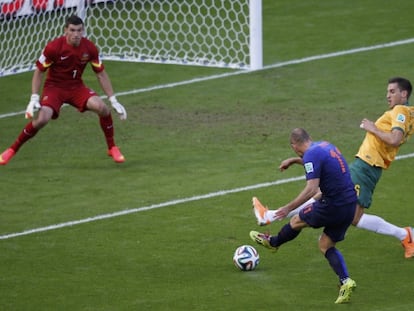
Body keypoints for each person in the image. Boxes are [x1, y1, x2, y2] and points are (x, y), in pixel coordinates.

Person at [253, 77, 414, 258]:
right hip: (366, 165)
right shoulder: (408, 113)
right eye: (387, 91)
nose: (388, 95)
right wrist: (298, 160)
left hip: (367, 166)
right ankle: (271, 215)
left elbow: (395, 139)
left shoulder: (400, 111)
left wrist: (372, 128)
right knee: (326, 195)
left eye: (392, 92)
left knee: (352, 215)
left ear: (404, 94)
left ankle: (405, 235)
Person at [0, 15, 127, 165]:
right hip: (55, 88)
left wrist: (113, 99)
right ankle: (12, 149)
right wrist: (34, 97)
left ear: (83, 30)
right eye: (72, 30)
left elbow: (100, 73)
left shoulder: (90, 48)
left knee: (102, 108)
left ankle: (112, 147)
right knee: (42, 119)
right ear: (65, 30)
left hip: (76, 88)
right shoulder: (53, 47)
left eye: (79, 30)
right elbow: (39, 71)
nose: (76, 34)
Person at [250, 128, 357, 304]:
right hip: (349, 204)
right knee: (325, 244)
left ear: (294, 145)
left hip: (332, 205)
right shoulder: (324, 145)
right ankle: (346, 281)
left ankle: (273, 243)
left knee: (296, 219)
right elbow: (319, 163)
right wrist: (294, 161)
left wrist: (287, 207)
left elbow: (312, 189)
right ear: (309, 138)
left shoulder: (311, 155)